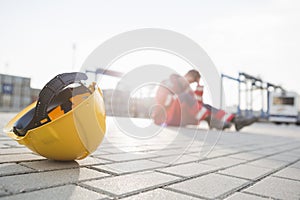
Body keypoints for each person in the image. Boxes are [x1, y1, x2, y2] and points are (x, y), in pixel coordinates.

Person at [152, 69, 257, 131]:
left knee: (205, 106)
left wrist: (198, 87)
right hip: (164, 117)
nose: (189, 84)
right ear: (186, 75)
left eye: (193, 83)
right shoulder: (168, 82)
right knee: (185, 98)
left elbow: (198, 104)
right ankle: (212, 120)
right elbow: (162, 101)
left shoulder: (186, 89)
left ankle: (235, 120)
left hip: (179, 117)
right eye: (190, 80)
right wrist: (178, 97)